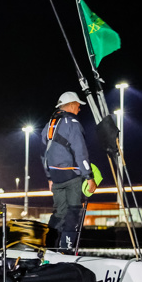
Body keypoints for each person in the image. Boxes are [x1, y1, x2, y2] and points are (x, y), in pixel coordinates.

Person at [42, 91, 97, 253]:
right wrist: (89, 176)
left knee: (59, 212)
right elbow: (80, 151)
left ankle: (49, 246)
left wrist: (48, 176)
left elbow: (42, 152)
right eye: (78, 106)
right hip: (71, 174)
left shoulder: (49, 125)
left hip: (55, 176)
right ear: (72, 105)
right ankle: (67, 250)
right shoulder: (72, 123)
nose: (79, 109)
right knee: (73, 212)